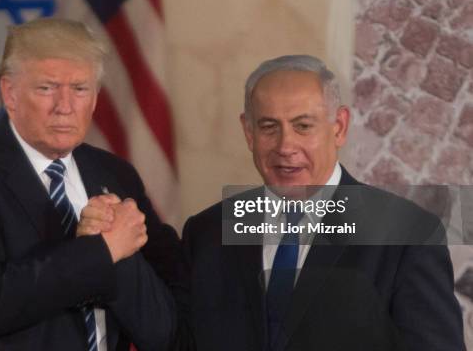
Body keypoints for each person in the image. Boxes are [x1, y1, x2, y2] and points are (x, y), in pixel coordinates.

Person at [0, 18, 180, 351]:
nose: (64, 107)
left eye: (79, 89)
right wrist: (101, 250)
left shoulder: (116, 175)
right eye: (47, 88)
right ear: (10, 93)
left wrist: (119, 249)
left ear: (94, 98)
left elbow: (168, 323)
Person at [177, 55, 465, 350]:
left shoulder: (407, 236)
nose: (285, 146)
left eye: (303, 126)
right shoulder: (206, 234)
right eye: (268, 127)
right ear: (249, 132)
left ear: (338, 127)